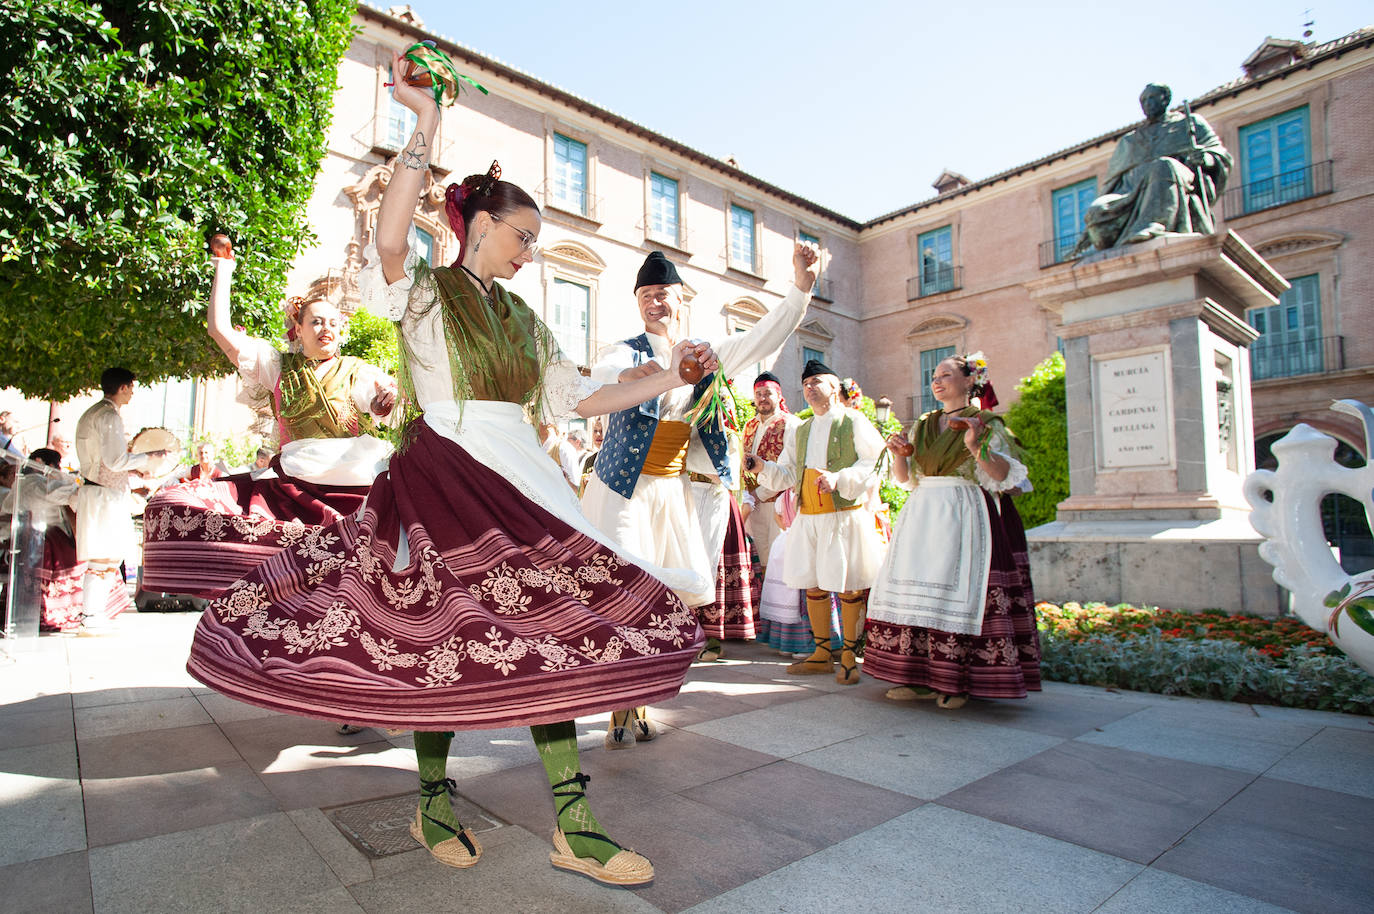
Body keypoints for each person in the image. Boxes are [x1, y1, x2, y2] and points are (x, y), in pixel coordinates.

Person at [188, 50, 721, 888]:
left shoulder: (525, 319)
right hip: (442, 473)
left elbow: (579, 402)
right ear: (480, 225)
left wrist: (675, 377)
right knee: (440, 633)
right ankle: (434, 799)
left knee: (547, 636)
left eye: (535, 243)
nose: (529, 256)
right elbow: (390, 236)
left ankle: (573, 822)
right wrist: (424, 123)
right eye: (522, 238)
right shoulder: (426, 293)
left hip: (524, 475)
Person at [583, 243, 819, 743]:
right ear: (638, 301)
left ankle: (638, 700)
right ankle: (619, 703)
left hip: (670, 491)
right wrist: (629, 375)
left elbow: (761, 337)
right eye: (647, 294)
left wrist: (801, 288)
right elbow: (604, 374)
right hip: (622, 486)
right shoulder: (626, 350)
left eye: (664, 294)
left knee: (662, 598)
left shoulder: (705, 354)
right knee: (624, 590)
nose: (655, 303)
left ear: (679, 300)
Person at [140, 246, 398, 599]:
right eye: (317, 321)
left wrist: (384, 404)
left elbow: (379, 399)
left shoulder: (357, 371)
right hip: (294, 489)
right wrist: (223, 268)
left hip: (353, 489)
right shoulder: (278, 367)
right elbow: (220, 331)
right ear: (299, 328)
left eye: (334, 323)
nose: (327, 329)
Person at [864, 354, 1041, 708]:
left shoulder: (986, 421)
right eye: (934, 376)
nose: (937, 381)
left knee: (957, 594)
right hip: (924, 514)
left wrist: (976, 446)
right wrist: (899, 453)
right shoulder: (925, 424)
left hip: (965, 513)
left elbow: (1004, 477)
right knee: (917, 595)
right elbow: (906, 479)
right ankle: (918, 678)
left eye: (947, 375)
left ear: (969, 381)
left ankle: (955, 681)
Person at [747, 359, 887, 686]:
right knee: (813, 584)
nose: (809, 388)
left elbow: (877, 461)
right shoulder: (804, 428)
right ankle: (822, 654)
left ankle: (850, 657)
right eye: (806, 384)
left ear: (834, 387)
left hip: (843, 516)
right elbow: (787, 473)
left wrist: (841, 479)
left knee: (849, 585)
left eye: (816, 382)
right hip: (809, 517)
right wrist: (761, 467)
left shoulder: (853, 420)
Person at [1079, 82, 1232, 252]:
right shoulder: (1130, 140)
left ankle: (1155, 225)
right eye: (1143, 101)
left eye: (1151, 98)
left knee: (1163, 165)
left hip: (1179, 180)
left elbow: (1219, 154)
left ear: (1165, 99)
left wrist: (1205, 158)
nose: (1147, 104)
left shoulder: (1188, 123)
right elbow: (1113, 183)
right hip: (1131, 192)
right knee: (1097, 209)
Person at [73, 368, 166, 631]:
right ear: (122, 387)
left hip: (100, 491)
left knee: (105, 556)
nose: (133, 393)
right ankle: (91, 616)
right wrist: (151, 458)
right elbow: (115, 461)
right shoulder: (109, 415)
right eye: (132, 387)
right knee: (104, 557)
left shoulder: (94, 412)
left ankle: (93, 614)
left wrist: (134, 467)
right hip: (104, 494)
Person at [0, 448, 85, 632]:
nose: (58, 469)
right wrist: (62, 478)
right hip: (42, 540)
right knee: (73, 553)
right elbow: (67, 492)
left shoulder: (21, 483)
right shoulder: (35, 482)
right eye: (56, 466)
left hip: (22, 540)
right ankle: (57, 612)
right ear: (40, 462)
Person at [740, 371, 799, 571]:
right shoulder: (749, 426)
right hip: (752, 505)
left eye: (768, 393)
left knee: (779, 562)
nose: (763, 398)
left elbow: (791, 467)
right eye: (759, 394)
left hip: (779, 505)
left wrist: (759, 494)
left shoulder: (791, 424)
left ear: (779, 395)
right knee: (756, 562)